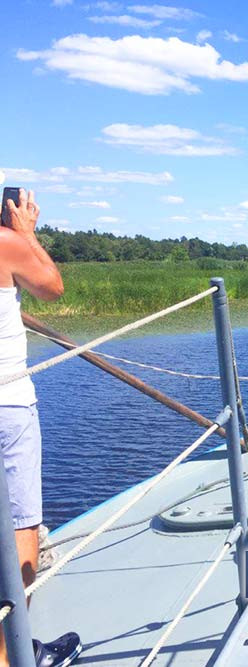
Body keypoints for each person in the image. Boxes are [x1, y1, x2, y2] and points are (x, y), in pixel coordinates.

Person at [0, 186, 81, 667]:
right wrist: (25, 234)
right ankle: (12, 653)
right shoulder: (6, 243)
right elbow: (52, 286)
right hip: (6, 404)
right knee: (21, 523)